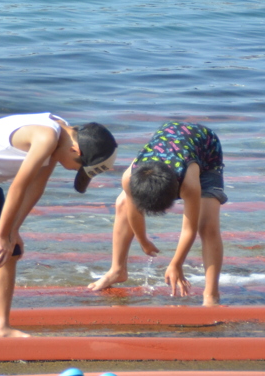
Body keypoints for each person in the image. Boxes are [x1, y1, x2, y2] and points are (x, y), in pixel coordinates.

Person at [0, 113, 118, 338]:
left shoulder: (61, 138)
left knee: (11, 251)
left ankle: (1, 325)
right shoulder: (46, 137)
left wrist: (13, 230)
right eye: (77, 168)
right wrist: (1, 235)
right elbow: (18, 186)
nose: (73, 171)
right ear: (77, 151)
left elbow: (37, 185)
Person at [88, 122, 226, 306]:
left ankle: (211, 294)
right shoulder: (129, 178)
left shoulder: (188, 183)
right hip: (168, 141)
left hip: (206, 150)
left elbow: (189, 229)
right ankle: (117, 270)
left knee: (207, 225)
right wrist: (143, 240)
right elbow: (133, 210)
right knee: (122, 203)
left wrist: (176, 263)